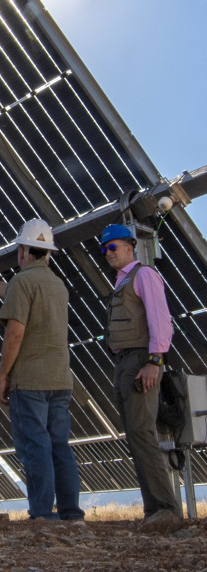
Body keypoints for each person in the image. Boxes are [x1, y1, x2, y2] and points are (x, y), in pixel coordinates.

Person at [0, 219, 84, 521]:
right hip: (61, 380)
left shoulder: (23, 281)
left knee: (36, 448)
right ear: (47, 252)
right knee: (60, 446)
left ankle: (43, 516)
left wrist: (3, 374)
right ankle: (72, 514)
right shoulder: (56, 284)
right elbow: (26, 295)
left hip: (30, 382)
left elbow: (15, 332)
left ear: (22, 251)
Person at [100, 223, 182, 526]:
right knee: (135, 436)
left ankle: (166, 509)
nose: (108, 253)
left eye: (113, 247)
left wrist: (154, 361)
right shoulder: (120, 283)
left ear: (129, 247)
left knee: (143, 434)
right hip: (124, 363)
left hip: (140, 360)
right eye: (104, 249)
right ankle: (153, 511)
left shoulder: (143, 275)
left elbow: (161, 321)